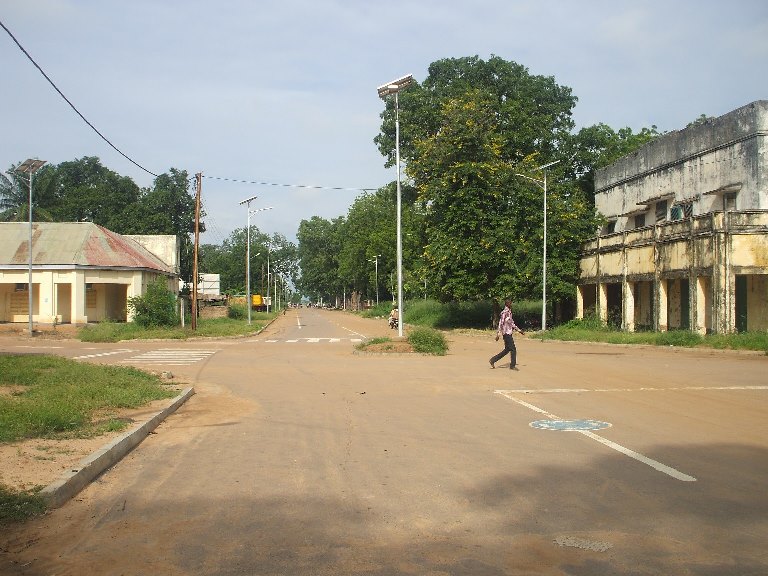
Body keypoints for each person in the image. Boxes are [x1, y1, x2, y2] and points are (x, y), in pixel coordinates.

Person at [489, 298, 525, 370]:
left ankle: (493, 360)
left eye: (511, 303)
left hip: (508, 332)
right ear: (506, 304)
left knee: (507, 350)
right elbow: (501, 323)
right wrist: (498, 334)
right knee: (513, 349)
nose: (511, 304)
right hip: (506, 333)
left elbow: (512, 323)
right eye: (509, 303)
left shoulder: (509, 312)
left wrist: (519, 330)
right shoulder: (505, 312)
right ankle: (512, 366)